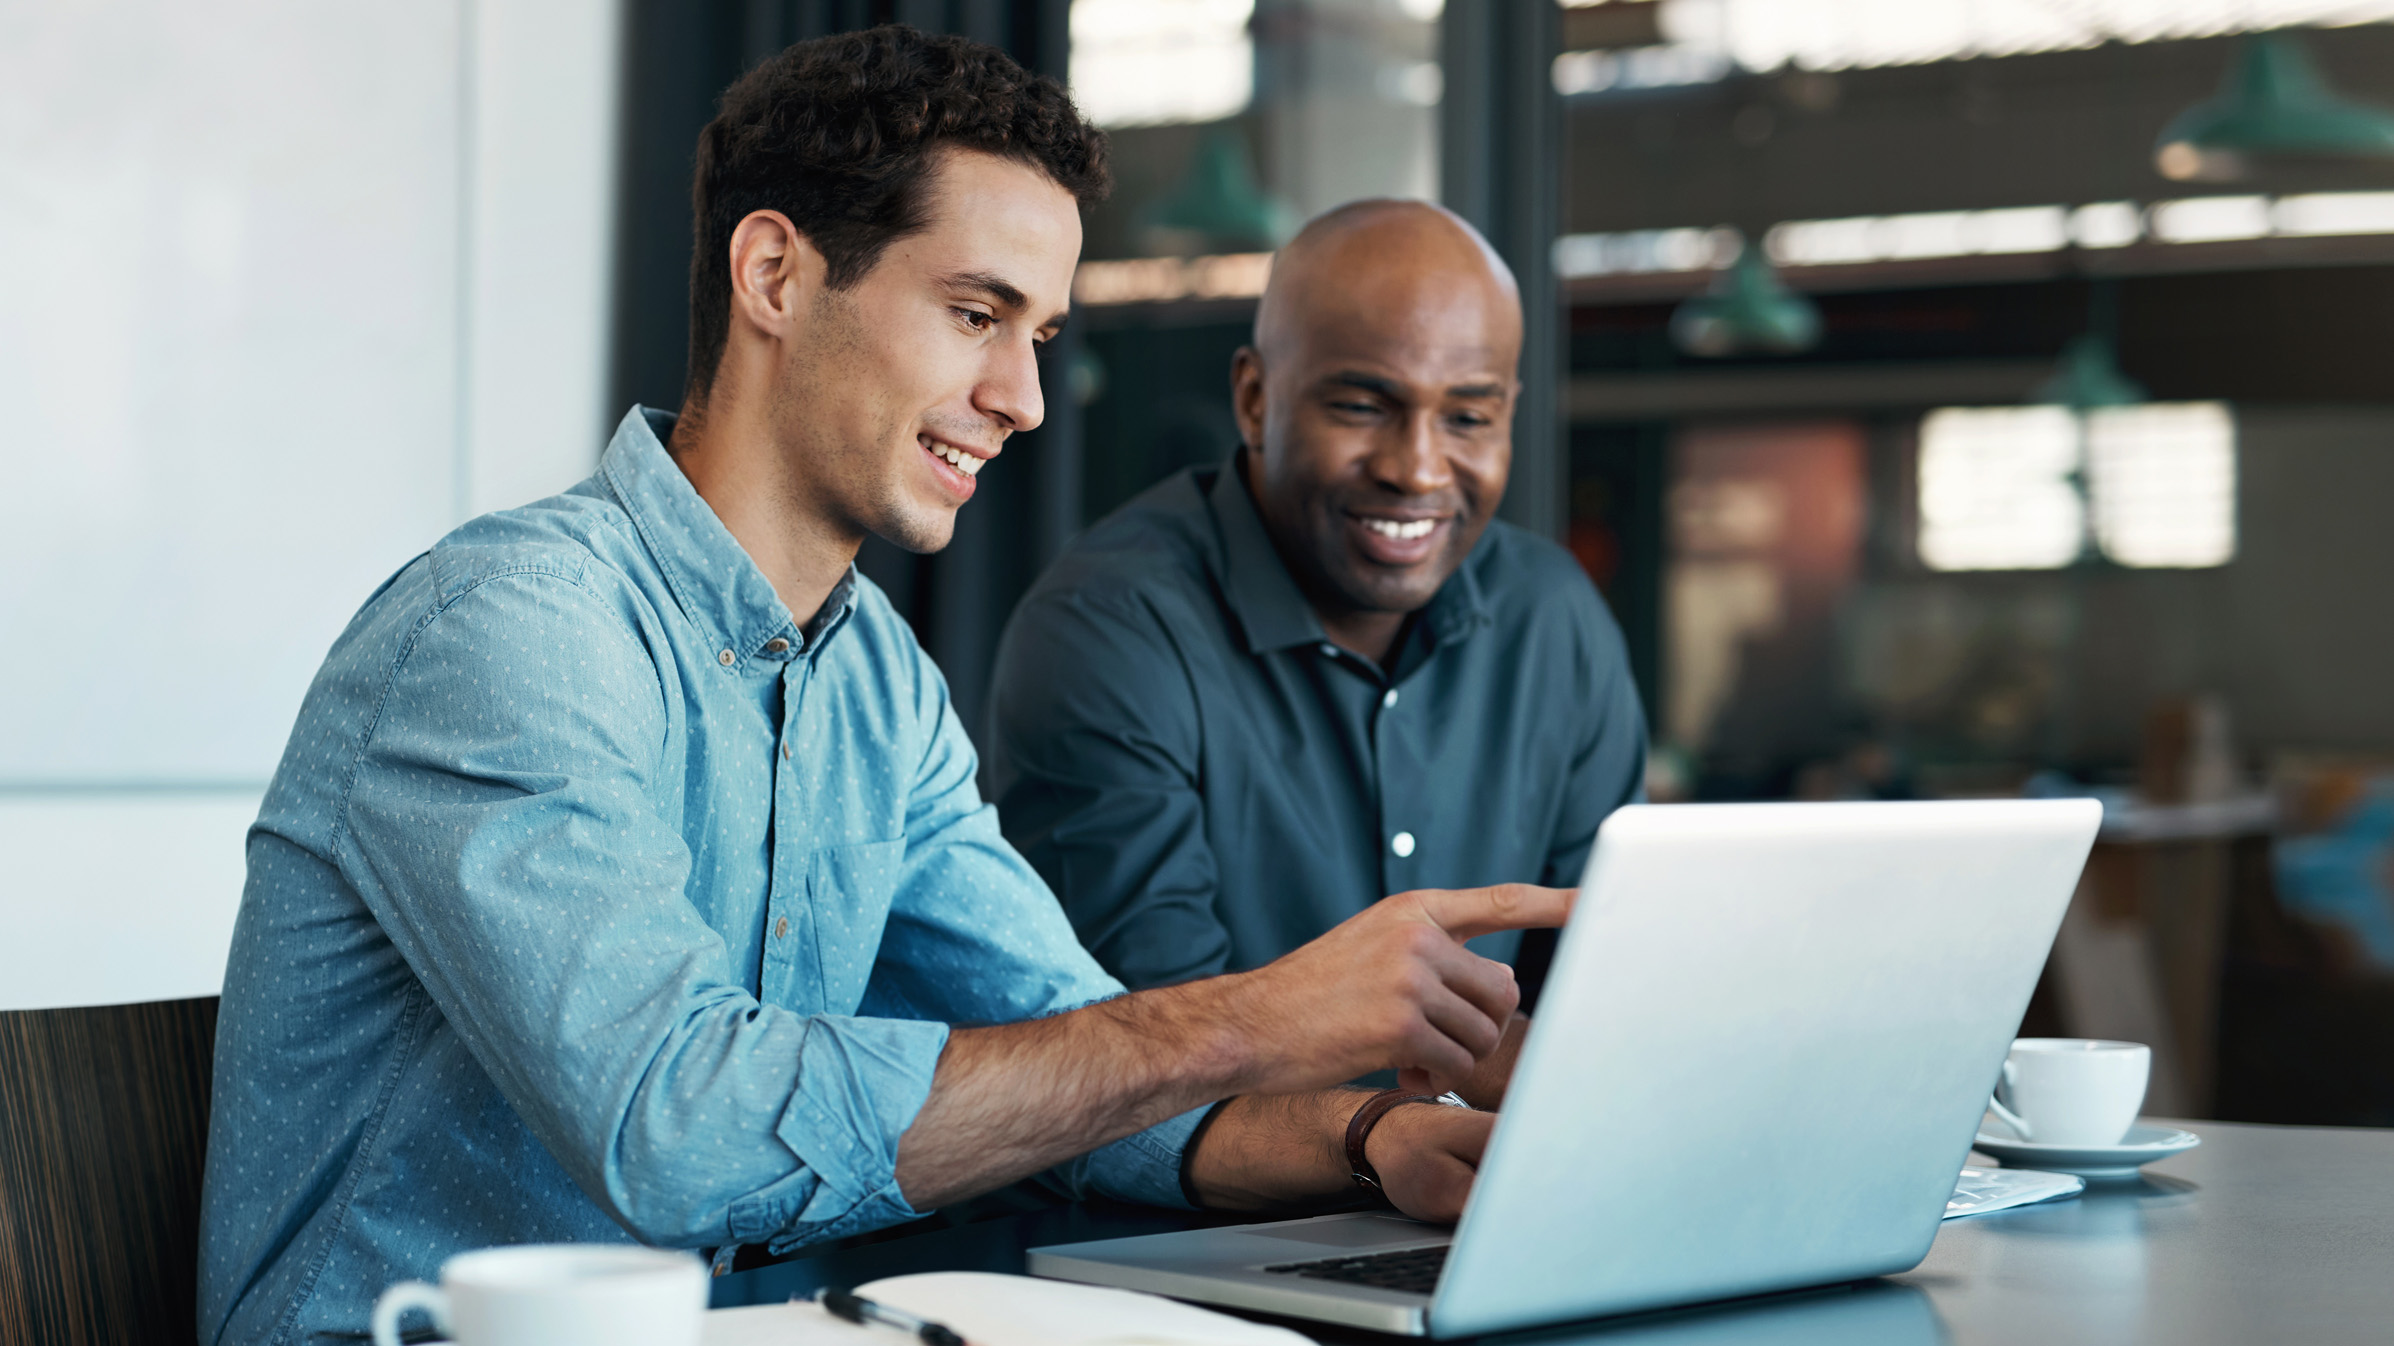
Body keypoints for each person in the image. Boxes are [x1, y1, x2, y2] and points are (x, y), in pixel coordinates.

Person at [198, 30, 1563, 1346]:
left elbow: (1079, 1065)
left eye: (1038, 332)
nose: (1024, 395)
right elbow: (680, 1130)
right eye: (976, 314)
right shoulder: (510, 633)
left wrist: (1374, 1138)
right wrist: (1248, 1016)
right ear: (777, 276)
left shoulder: (875, 688)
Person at [987, 200, 1647, 1100]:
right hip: (1186, 1228)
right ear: (1256, 399)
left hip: (1484, 1197)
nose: (1417, 468)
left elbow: (1613, 989)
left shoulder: (1552, 617)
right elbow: (1151, 1052)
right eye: (1365, 405)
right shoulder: (1110, 627)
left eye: (1468, 418)